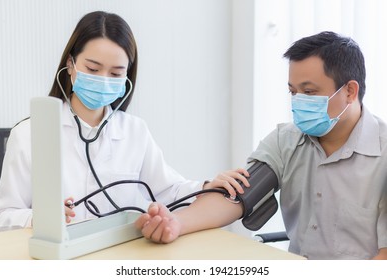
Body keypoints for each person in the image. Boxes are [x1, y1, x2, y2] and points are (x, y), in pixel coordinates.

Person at [135, 31, 387, 260]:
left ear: (350, 91)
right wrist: (176, 222)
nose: (298, 102)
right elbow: (238, 195)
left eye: (309, 92)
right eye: (293, 91)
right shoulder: (286, 140)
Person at [0, 11, 250, 231]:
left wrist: (207, 186)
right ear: (70, 64)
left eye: (116, 73)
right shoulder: (29, 134)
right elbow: (4, 215)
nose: (104, 80)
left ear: (127, 77)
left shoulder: (134, 131)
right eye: (93, 69)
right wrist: (38, 218)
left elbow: (169, 190)